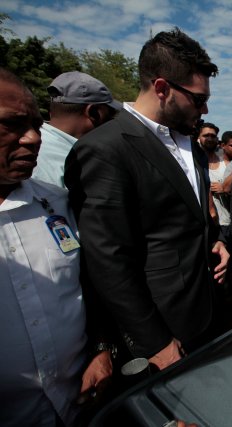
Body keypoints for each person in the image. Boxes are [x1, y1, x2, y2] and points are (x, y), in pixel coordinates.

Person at [65, 28, 229, 371]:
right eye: (198, 99)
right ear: (162, 88)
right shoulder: (105, 149)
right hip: (161, 334)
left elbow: (187, 220)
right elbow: (107, 259)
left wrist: (216, 243)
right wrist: (155, 341)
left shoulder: (191, 146)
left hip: (208, 313)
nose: (206, 107)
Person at [0, 68, 113, 426]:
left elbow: (91, 285)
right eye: (13, 125)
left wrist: (100, 349)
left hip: (82, 404)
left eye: (35, 123)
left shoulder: (60, 204)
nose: (34, 138)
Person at [32, 71, 121, 188]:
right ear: (93, 112)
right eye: (110, 115)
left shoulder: (37, 150)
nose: (112, 121)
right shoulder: (71, 161)